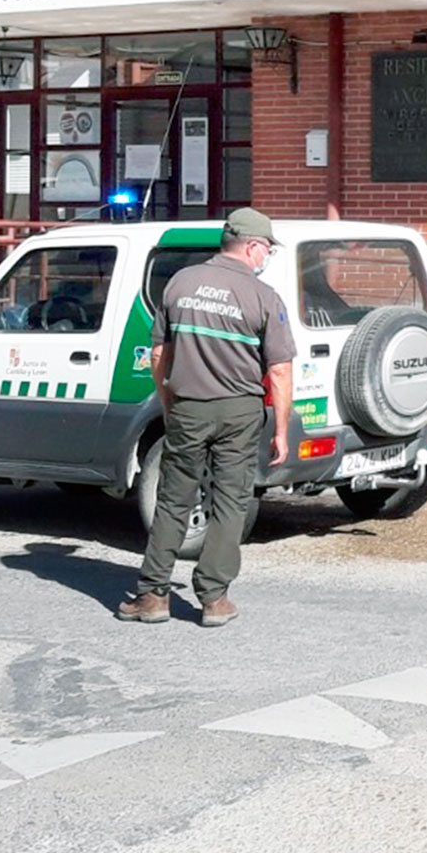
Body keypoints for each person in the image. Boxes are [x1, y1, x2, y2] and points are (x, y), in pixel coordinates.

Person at [117, 208, 294, 626]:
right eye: (266, 249)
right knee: (230, 501)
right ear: (251, 247)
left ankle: (153, 595)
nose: (266, 256)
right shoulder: (263, 296)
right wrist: (282, 431)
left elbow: (158, 354)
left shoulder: (180, 283)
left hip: (188, 406)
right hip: (240, 410)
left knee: (173, 498)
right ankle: (214, 599)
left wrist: (169, 401)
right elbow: (280, 371)